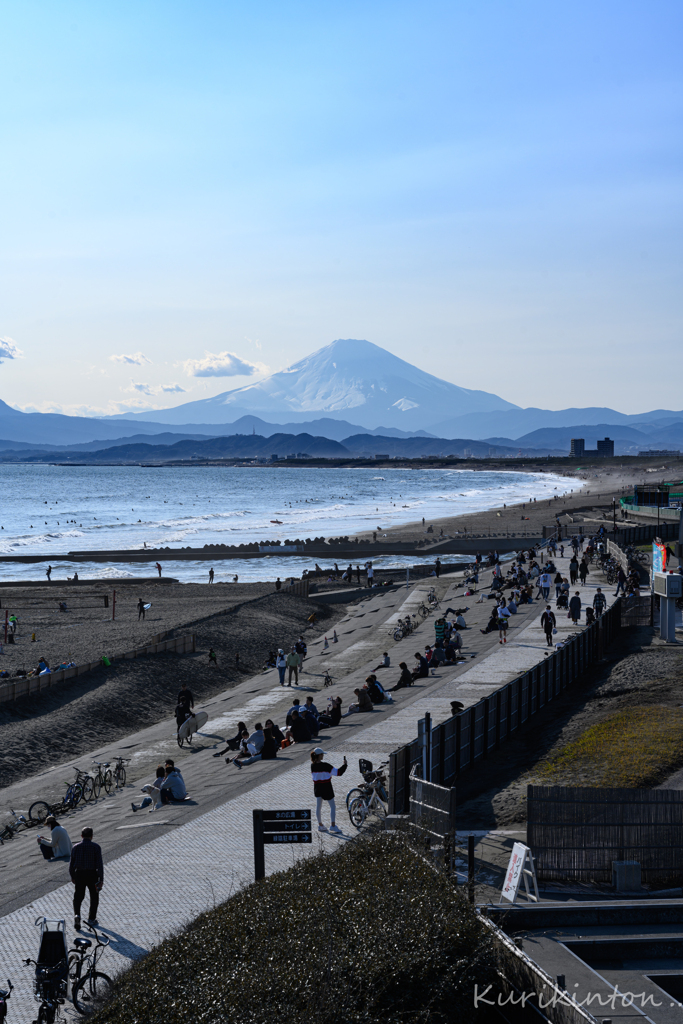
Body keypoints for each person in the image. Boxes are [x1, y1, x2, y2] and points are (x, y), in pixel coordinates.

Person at [70, 826, 103, 930]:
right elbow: (99, 864)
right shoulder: (96, 847)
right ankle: (91, 919)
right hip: (92, 875)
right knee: (94, 897)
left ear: (81, 836)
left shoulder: (75, 847)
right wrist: (101, 879)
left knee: (78, 897)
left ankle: (77, 915)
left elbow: (71, 865)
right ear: (92, 836)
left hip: (79, 874)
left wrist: (73, 876)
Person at [310, 749, 347, 832]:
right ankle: (333, 825)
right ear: (319, 755)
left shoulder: (312, 766)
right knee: (332, 806)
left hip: (317, 788)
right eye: (322, 754)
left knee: (318, 807)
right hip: (327, 788)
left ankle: (320, 825)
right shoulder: (326, 766)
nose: (323, 756)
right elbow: (338, 772)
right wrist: (345, 765)